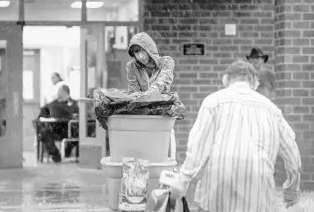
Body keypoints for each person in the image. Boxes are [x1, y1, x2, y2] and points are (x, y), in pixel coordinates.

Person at [170, 60, 301, 212]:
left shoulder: (213, 102)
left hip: (218, 183)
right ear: (254, 82)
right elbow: (292, 155)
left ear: (226, 79)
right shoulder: (272, 109)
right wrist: (291, 190)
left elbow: (198, 147)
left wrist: (183, 181)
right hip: (258, 186)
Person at [126, 32, 177, 160]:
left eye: (143, 51)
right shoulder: (132, 67)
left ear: (150, 49)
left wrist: (146, 96)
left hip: (161, 117)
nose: (140, 56)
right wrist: (144, 98)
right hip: (141, 118)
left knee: (162, 157)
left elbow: (162, 83)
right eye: (136, 53)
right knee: (141, 157)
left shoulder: (166, 62)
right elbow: (133, 92)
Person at [38, 85, 79, 163]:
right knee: (44, 133)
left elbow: (75, 116)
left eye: (59, 91)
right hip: (55, 128)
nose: (57, 93)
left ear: (64, 92)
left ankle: (67, 154)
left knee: (78, 133)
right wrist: (44, 117)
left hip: (69, 129)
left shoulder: (74, 104)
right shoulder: (54, 103)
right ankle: (56, 156)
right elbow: (43, 111)